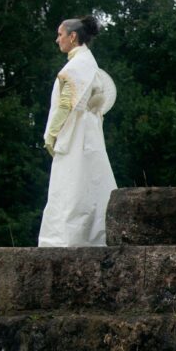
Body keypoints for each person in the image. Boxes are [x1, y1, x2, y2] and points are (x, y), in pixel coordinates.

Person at [38, 15, 117, 247]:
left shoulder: (77, 64)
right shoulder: (86, 62)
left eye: (60, 34)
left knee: (73, 181)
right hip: (87, 131)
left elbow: (66, 103)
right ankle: (88, 236)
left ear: (73, 37)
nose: (57, 39)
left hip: (78, 132)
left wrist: (51, 133)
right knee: (88, 179)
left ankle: (68, 239)